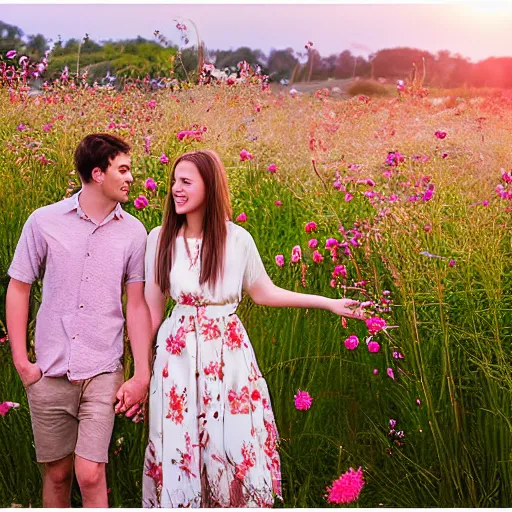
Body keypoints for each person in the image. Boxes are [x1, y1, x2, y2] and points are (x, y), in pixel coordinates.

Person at [142, 149, 366, 508]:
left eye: (185, 182)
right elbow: (149, 314)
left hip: (228, 358)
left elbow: (265, 293)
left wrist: (328, 302)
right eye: (174, 182)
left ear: (209, 186)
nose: (175, 190)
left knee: (231, 443)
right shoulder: (159, 238)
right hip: (176, 360)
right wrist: (136, 368)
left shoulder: (238, 240)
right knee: (179, 445)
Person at [5, 133, 153, 508]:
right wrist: (23, 363)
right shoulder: (44, 222)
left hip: (103, 369)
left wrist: (141, 373)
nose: (130, 178)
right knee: (56, 475)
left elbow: (136, 305)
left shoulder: (134, 233)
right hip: (50, 371)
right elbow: (19, 287)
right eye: (123, 169)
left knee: (90, 473)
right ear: (98, 173)